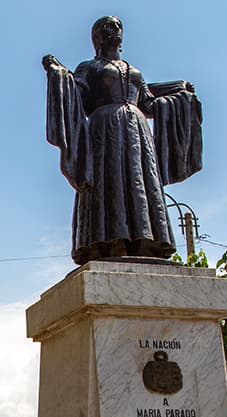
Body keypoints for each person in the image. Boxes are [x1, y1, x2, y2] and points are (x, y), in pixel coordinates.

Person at [42, 16, 202, 265]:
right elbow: (78, 96)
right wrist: (59, 73)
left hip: (137, 131)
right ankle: (108, 242)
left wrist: (180, 97)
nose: (113, 30)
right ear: (97, 38)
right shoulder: (90, 67)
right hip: (104, 131)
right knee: (108, 181)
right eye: (106, 27)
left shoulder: (134, 71)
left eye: (117, 26)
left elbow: (147, 103)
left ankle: (145, 241)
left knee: (140, 181)